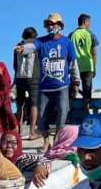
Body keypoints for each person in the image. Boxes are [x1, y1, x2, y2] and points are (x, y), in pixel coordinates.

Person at [15, 12, 81, 153]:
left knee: (63, 112)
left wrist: (76, 81)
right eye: (49, 24)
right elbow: (31, 47)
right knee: (42, 115)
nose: (51, 26)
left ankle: (57, 139)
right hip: (44, 87)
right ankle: (46, 142)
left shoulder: (67, 43)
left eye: (54, 24)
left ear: (60, 26)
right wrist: (22, 48)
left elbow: (72, 64)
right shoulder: (41, 41)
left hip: (62, 85)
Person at [69, 13, 100, 114]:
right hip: (87, 66)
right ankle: (86, 112)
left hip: (74, 67)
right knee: (87, 91)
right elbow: (94, 54)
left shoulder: (71, 35)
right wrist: (94, 68)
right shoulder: (91, 34)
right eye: (89, 23)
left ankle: (68, 113)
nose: (89, 25)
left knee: (72, 89)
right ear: (85, 22)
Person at [13, 26, 40, 139]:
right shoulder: (36, 45)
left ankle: (19, 131)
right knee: (34, 105)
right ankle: (32, 132)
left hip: (20, 78)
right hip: (33, 77)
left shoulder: (18, 46)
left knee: (20, 105)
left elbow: (15, 65)